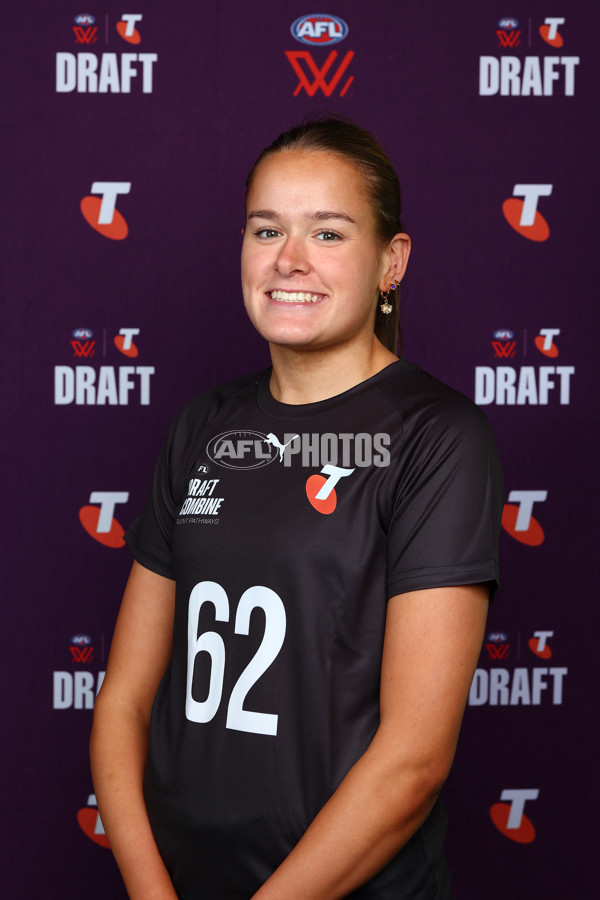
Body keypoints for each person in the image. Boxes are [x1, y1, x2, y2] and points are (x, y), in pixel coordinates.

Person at [90, 116, 503, 900]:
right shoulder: (202, 427)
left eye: (329, 233)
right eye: (267, 228)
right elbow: (124, 698)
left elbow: (414, 758)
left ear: (392, 262)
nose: (289, 259)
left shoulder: (435, 438)